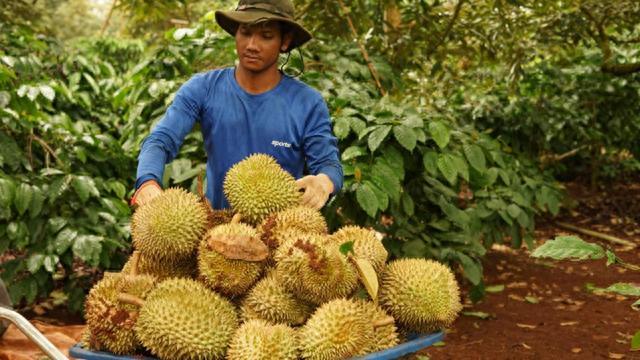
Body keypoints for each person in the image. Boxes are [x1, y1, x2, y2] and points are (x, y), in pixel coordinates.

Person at [131, 0, 343, 211]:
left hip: (280, 234)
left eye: (266, 36)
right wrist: (147, 181)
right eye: (245, 32)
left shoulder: (307, 103)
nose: (251, 45)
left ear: (285, 41)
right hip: (217, 232)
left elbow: (328, 164)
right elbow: (161, 139)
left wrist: (324, 182)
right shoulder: (203, 88)